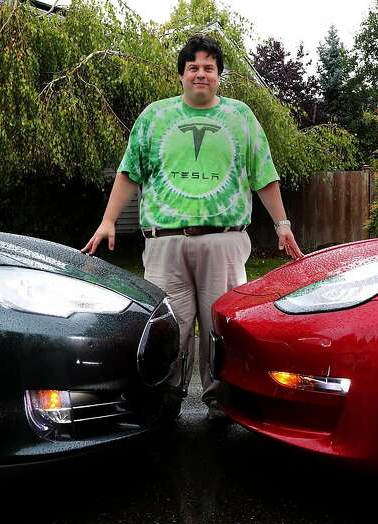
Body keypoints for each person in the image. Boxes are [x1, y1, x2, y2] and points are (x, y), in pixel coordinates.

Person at [82, 35, 303, 420]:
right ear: (182, 74)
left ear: (219, 76)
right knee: (170, 325)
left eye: (209, 68)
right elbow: (129, 172)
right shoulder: (155, 117)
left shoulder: (241, 117)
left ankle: (223, 400)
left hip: (224, 240)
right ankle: (165, 398)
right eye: (193, 67)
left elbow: (264, 175)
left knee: (222, 325)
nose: (201, 73)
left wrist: (282, 224)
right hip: (165, 242)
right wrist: (108, 220)